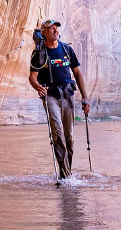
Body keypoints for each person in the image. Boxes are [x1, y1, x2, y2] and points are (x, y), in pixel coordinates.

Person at [29, 18, 90, 180]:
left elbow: (77, 73)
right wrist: (37, 87)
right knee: (58, 133)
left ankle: (67, 172)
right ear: (44, 33)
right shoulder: (39, 53)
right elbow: (32, 77)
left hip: (68, 95)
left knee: (69, 136)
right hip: (50, 96)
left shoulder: (66, 49)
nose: (56, 31)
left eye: (56, 28)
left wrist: (85, 98)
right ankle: (65, 175)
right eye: (51, 29)